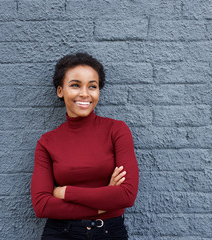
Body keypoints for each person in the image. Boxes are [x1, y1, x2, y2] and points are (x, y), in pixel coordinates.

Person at [31, 52, 139, 240]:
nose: (84, 93)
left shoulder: (116, 130)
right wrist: (104, 202)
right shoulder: (47, 142)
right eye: (75, 85)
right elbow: (42, 206)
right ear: (60, 91)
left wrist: (65, 192)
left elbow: (127, 195)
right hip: (60, 234)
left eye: (92, 86)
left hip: (109, 233)